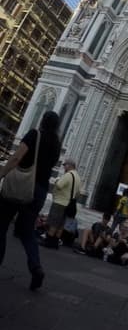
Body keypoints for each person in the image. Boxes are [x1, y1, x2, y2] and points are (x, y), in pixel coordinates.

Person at [0, 111, 62, 290]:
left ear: (42, 120)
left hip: (22, 186)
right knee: (27, 232)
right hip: (40, 191)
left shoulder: (35, 134)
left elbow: (17, 156)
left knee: (2, 224)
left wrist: (2, 173)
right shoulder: (57, 144)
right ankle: (36, 268)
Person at [44, 159, 80, 249]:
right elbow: (78, 192)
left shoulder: (68, 175)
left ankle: (48, 241)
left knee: (54, 223)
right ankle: (55, 243)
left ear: (70, 165)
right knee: (61, 225)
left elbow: (59, 185)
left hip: (60, 202)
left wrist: (57, 180)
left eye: (65, 165)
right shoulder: (78, 177)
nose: (64, 167)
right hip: (68, 204)